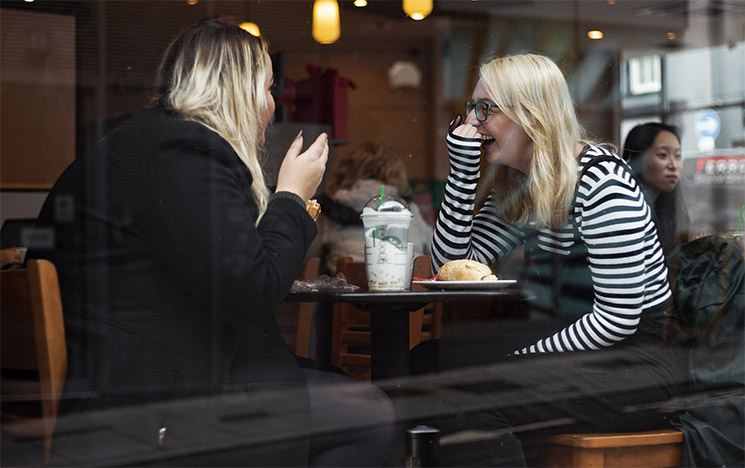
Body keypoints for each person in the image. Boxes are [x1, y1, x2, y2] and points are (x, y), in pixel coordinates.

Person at [26, 20, 393, 467]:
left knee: (342, 390)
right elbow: (250, 287)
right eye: (268, 88)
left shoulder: (144, 146)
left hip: (129, 382)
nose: (273, 105)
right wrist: (292, 196)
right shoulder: (185, 152)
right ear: (238, 91)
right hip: (155, 404)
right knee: (368, 412)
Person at [425, 54, 689, 466]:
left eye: (484, 109)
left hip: (636, 360)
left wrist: (516, 362)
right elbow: (451, 268)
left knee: (467, 395)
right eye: (471, 109)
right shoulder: (522, 185)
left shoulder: (602, 183)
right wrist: (461, 173)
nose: (472, 123)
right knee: (426, 362)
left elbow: (617, 319)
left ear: (531, 115)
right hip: (576, 343)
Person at [309, 141, 433, 275]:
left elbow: (307, 259)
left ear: (345, 172)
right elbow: (435, 251)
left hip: (350, 294)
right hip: (412, 292)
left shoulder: (329, 208)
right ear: (396, 174)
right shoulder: (406, 207)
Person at [622, 122, 690, 258]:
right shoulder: (623, 210)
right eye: (663, 155)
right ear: (637, 160)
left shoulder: (671, 211)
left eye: (678, 156)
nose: (673, 165)